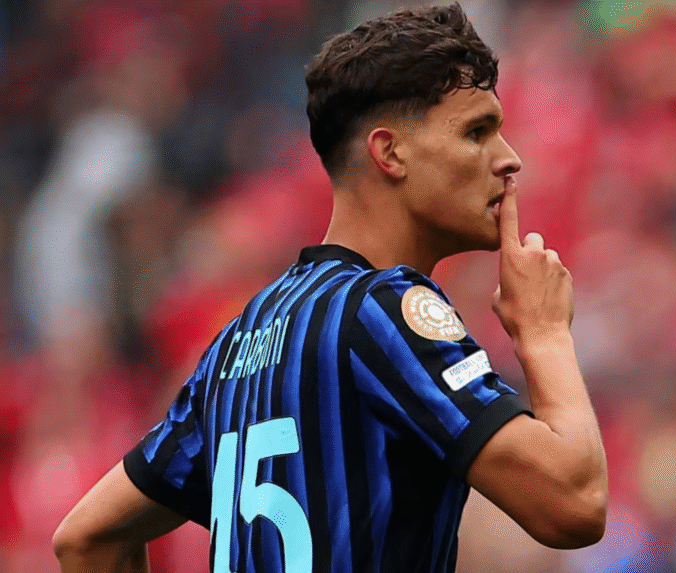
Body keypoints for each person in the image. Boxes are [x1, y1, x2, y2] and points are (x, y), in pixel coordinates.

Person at [51, 4, 608, 572]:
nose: (509, 159)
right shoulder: (383, 312)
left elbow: (88, 538)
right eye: (477, 132)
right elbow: (575, 504)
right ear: (389, 152)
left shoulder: (235, 344)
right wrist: (543, 333)